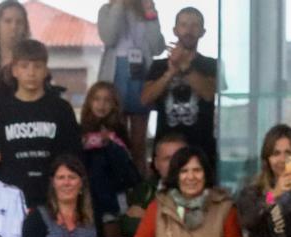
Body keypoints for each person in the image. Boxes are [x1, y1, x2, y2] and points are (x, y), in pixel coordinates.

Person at [0, 37, 78, 209]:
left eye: (37, 66)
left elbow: (72, 156)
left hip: (51, 198)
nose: (31, 73)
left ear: (45, 70)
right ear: (14, 70)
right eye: (24, 66)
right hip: (7, 198)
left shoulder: (61, 109)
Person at [140, 6, 216, 180]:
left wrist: (186, 67)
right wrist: (170, 72)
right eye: (184, 25)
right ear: (175, 30)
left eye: (194, 25)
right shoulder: (159, 66)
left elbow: (208, 93)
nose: (189, 30)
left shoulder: (211, 64)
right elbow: (145, 99)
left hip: (202, 150)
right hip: (166, 153)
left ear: (203, 32)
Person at [98, 0, 163, 157]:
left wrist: (150, 13)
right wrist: (118, 5)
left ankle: (140, 179)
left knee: (138, 142)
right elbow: (108, 38)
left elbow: (157, 47)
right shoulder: (107, 9)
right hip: (116, 74)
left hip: (140, 73)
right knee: (116, 137)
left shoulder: (146, 9)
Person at [78, 80, 139, 223]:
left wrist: (109, 144)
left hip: (113, 190)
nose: (101, 105)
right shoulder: (82, 130)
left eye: (107, 100)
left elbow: (125, 162)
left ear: (114, 104)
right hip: (89, 193)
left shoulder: (118, 129)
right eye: (97, 99)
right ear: (89, 102)